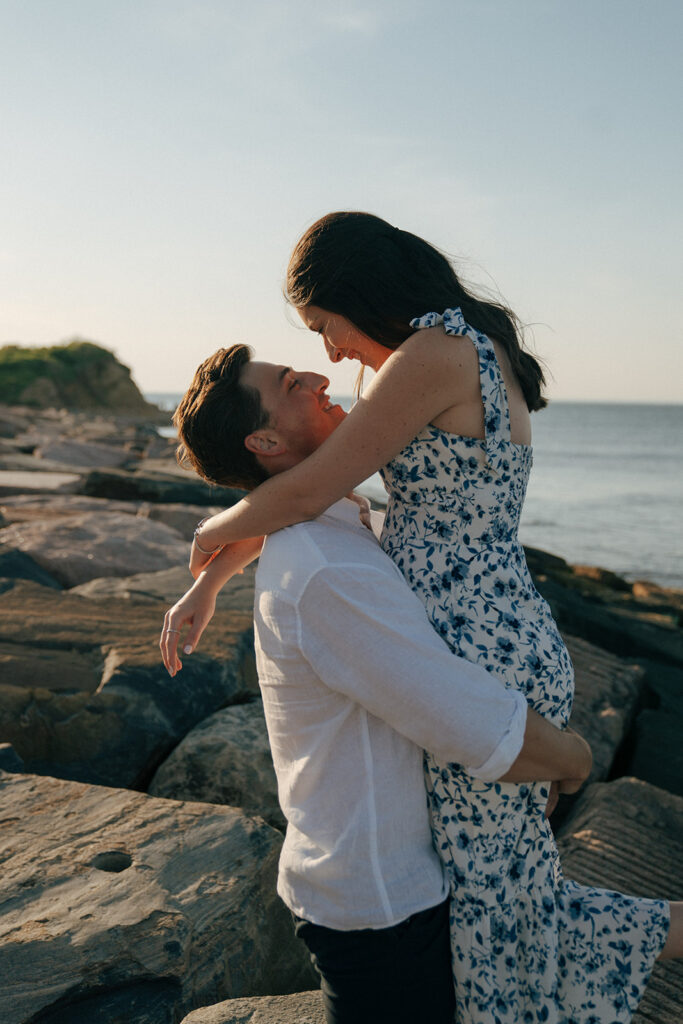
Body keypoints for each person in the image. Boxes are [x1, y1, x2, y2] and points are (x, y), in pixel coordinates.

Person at [171, 212, 680, 1023]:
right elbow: (323, 493)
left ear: (356, 293)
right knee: (507, 892)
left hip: (475, 632)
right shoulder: (426, 358)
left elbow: (305, 490)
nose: (329, 353)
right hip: (468, 623)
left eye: (321, 326)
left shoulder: (430, 356)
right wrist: (214, 578)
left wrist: (210, 532)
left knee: (500, 901)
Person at [160, 345, 594, 1024]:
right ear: (266, 440)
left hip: (383, 884)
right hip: (380, 904)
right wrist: (573, 759)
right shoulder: (327, 569)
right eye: (289, 383)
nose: (320, 374)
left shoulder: (341, 530)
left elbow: (286, 506)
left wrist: (211, 571)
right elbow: (463, 718)